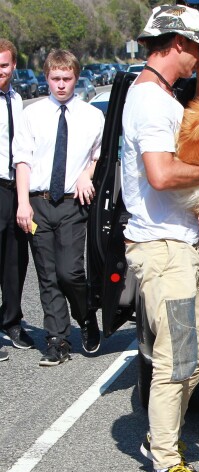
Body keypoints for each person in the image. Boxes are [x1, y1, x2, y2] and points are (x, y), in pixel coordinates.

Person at [122, 4, 199, 472]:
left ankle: (160, 436)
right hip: (163, 249)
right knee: (176, 358)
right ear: (177, 43)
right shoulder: (147, 101)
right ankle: (165, 463)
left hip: (185, 243)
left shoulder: (166, 98)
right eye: (198, 49)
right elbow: (161, 174)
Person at [13, 49, 104, 366]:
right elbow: (22, 160)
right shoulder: (32, 114)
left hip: (72, 204)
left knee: (70, 272)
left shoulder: (92, 116)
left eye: (67, 79)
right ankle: (57, 341)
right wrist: (23, 203)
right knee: (48, 277)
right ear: (46, 78)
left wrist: (86, 174)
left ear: (76, 78)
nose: (61, 85)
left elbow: (98, 156)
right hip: (38, 203)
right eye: (55, 79)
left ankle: (87, 317)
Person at [0, 39, 31, 362]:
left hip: (13, 187)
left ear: (13, 67)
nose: (0, 71)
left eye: (5, 65)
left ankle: (11, 321)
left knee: (15, 260)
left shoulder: (17, 99)